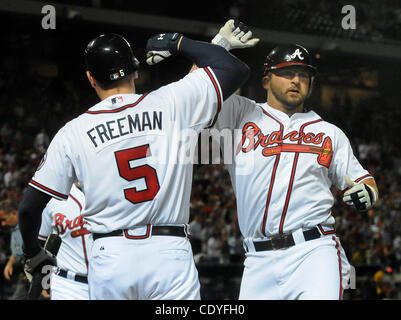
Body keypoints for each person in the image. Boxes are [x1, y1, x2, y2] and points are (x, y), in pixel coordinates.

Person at [18, 32, 251, 300]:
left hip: (111, 256)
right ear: (135, 71)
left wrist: (33, 254)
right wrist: (178, 43)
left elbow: (28, 208)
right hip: (169, 251)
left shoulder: (72, 132)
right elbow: (233, 68)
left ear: (91, 78)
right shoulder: (171, 102)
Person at [208, 20, 379, 299]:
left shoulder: (329, 132)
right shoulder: (239, 113)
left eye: (303, 74)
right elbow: (194, 91)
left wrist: (368, 191)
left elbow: (362, 180)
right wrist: (220, 45)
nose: (296, 80)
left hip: (313, 252)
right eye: (287, 73)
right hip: (257, 259)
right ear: (266, 80)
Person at [38, 183, 90, 300]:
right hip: (67, 285)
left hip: (110, 281)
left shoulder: (108, 187)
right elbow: (42, 244)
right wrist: (43, 280)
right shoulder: (53, 196)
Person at [0, 199, 28, 300]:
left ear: (14, 213)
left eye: (4, 219)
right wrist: (10, 263)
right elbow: (17, 253)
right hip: (25, 275)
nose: (3, 224)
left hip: (39, 274)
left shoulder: (30, 225)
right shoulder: (15, 229)